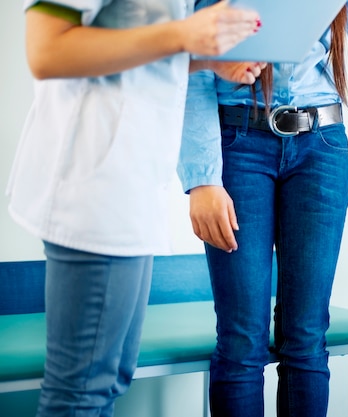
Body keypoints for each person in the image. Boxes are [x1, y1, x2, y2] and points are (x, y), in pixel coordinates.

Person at [5, 1, 265, 415]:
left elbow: (131, 49)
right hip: (94, 188)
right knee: (82, 392)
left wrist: (204, 61)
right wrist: (184, 35)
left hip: (134, 183)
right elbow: (47, 51)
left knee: (110, 380)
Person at [177, 0, 348, 415]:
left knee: (306, 337)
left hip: (321, 149)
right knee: (241, 342)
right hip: (237, 146)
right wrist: (202, 178)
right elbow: (191, 66)